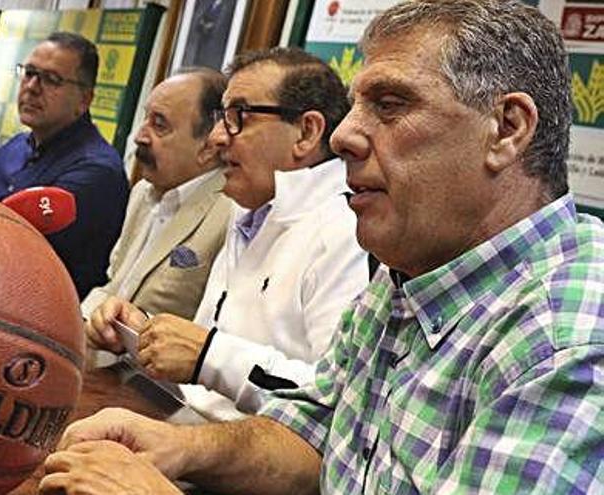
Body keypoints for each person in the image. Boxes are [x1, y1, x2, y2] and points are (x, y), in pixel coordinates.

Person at [39, 1, 604, 494]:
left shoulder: (567, 343)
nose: (343, 135)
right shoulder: (412, 272)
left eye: (389, 105)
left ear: (507, 129)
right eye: (357, 104)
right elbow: (321, 434)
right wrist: (182, 448)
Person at [86, 48, 368, 420]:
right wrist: (141, 335)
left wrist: (207, 355)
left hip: (251, 460)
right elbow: (201, 376)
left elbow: (336, 399)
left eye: (238, 117)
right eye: (222, 117)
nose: (218, 138)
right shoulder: (251, 209)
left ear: (306, 132)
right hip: (186, 422)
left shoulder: (347, 232)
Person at [0, 32, 128, 300]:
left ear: (84, 100)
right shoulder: (17, 145)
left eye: (52, 79)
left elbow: (12, 250)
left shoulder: (97, 171)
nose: (31, 86)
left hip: (33, 314)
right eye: (29, 73)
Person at [80, 67, 231, 321]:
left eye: (159, 125)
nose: (140, 136)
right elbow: (114, 283)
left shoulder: (230, 213)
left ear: (208, 146)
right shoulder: (142, 192)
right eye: (145, 119)